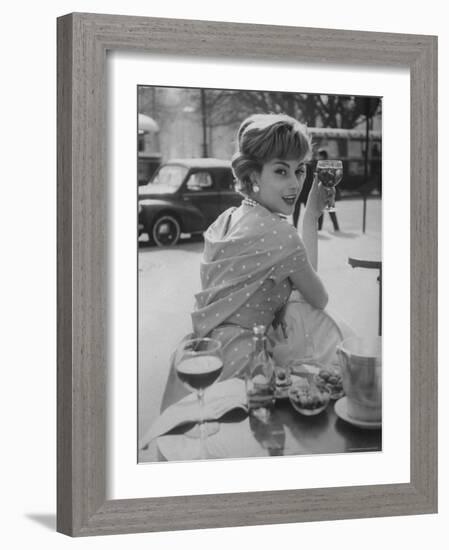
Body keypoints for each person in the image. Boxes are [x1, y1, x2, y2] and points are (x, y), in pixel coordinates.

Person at [160, 113, 351, 410]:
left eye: (299, 170)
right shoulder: (279, 234)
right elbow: (318, 297)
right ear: (252, 177)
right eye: (280, 171)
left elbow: (286, 275)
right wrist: (311, 215)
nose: (294, 184)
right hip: (244, 367)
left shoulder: (226, 220)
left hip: (204, 354)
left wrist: (310, 214)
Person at [315, 149, 340, 231]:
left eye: (319, 155)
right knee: (326, 209)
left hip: (327, 189)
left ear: (323, 156)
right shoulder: (322, 165)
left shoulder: (325, 165)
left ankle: (324, 229)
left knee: (329, 209)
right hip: (324, 189)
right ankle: (324, 228)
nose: (318, 157)